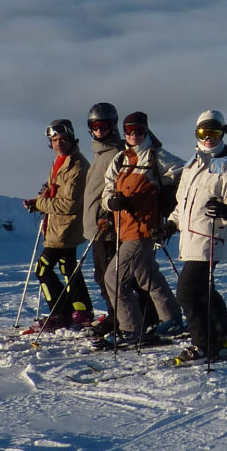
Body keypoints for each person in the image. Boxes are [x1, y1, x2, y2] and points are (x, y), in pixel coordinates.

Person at [96, 111, 186, 348]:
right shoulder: (120, 159)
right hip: (125, 228)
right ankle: (172, 319)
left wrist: (168, 198)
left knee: (113, 278)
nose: (134, 134)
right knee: (146, 274)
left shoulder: (156, 156)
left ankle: (131, 329)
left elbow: (185, 175)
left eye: (139, 130)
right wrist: (111, 202)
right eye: (129, 130)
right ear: (124, 132)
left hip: (145, 229)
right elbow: (107, 190)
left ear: (146, 131)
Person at [168, 109, 227, 361]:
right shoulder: (192, 164)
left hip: (211, 237)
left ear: (223, 133)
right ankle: (224, 335)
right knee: (204, 290)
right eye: (203, 132)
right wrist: (170, 224)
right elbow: (182, 204)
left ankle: (203, 343)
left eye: (214, 133)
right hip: (190, 238)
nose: (208, 138)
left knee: (187, 292)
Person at [22, 119, 94, 332]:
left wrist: (39, 203)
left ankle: (60, 313)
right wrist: (42, 199)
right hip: (58, 226)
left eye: (62, 139)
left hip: (65, 228)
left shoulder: (76, 165)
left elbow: (70, 204)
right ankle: (80, 310)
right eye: (54, 140)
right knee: (68, 267)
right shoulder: (62, 162)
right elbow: (57, 194)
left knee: (43, 268)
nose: (58, 143)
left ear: (71, 139)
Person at [82, 102, 124, 338]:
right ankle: (114, 314)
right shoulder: (99, 153)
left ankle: (119, 317)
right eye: (95, 126)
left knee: (110, 276)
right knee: (101, 275)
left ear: (113, 126)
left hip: (108, 227)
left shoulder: (117, 153)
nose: (99, 130)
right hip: (95, 225)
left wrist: (109, 215)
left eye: (104, 126)